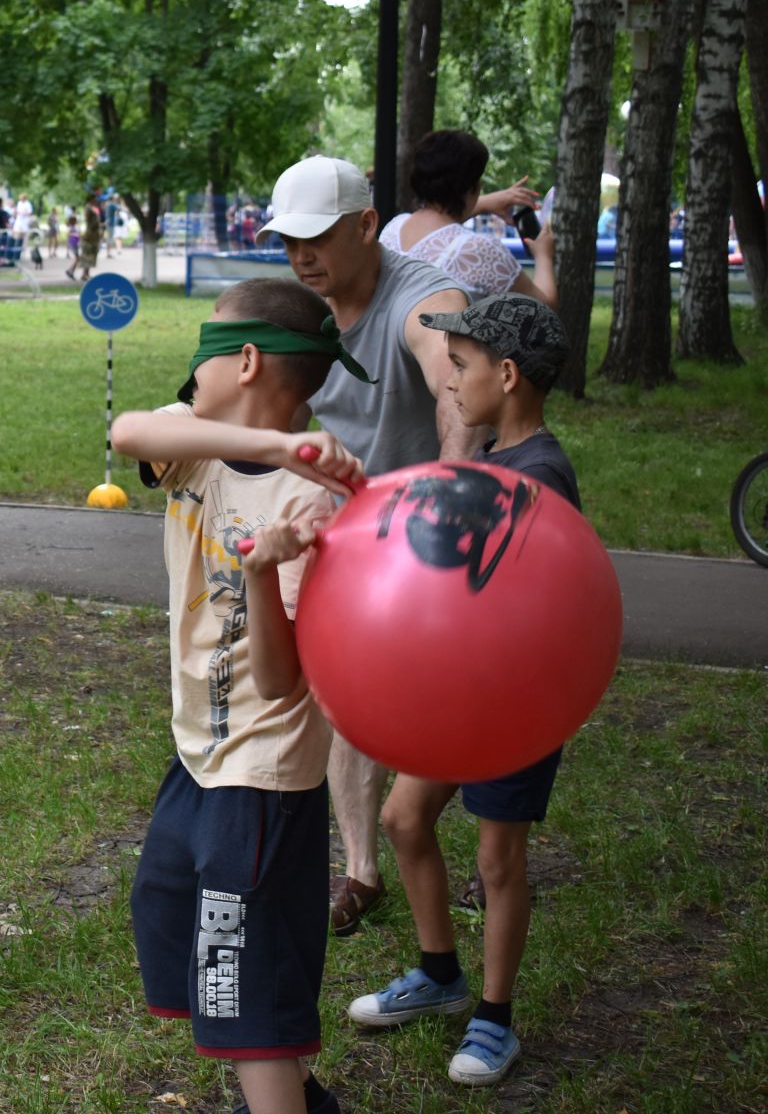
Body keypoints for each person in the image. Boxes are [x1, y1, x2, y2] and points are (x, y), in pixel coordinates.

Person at [111, 277, 375, 1114]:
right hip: (200, 754)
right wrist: (277, 445)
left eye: (204, 355)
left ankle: (278, 1095)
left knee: (240, 989)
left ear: (246, 360)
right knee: (173, 915)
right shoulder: (193, 442)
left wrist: (264, 566)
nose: (189, 376)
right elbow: (125, 431)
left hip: (257, 776)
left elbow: (281, 677)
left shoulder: (308, 499)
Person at [345, 293, 577, 1088]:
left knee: (499, 858)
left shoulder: (538, 476)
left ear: (507, 376)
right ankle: (439, 974)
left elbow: (526, 600)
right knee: (404, 818)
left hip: (518, 703)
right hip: (464, 697)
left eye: (464, 362)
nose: (449, 376)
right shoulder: (494, 465)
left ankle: (494, 1019)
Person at [258, 154, 480, 936]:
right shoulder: (297, 307)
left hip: (427, 535)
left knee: (448, 700)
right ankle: (360, 870)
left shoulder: (419, 296)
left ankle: (486, 848)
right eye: (288, 241)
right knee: (341, 694)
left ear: (364, 227)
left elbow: (452, 371)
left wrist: (455, 485)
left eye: (316, 238)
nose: (300, 256)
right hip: (343, 531)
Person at [381, 130, 555, 304]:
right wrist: (543, 255)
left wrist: (484, 203)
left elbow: (439, 229)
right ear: (473, 187)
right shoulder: (479, 250)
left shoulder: (393, 229)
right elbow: (544, 307)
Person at [67, 189, 102, 282]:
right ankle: (83, 274)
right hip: (89, 236)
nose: (96, 200)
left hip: (93, 236)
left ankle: (84, 273)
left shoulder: (92, 208)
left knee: (89, 256)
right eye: (95, 198)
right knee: (87, 256)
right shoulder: (88, 208)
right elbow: (90, 223)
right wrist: (97, 225)